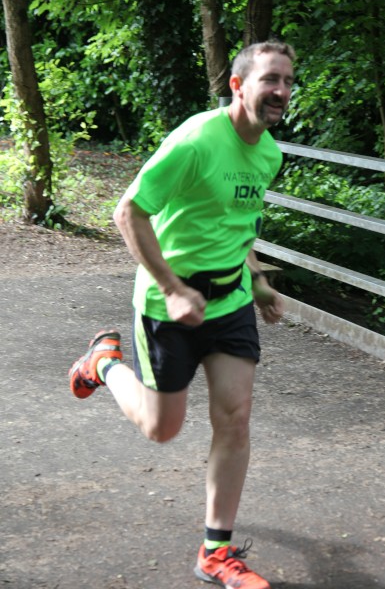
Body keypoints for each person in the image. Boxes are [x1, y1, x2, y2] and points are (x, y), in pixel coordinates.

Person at [68, 40, 295, 589]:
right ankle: (103, 364)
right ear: (238, 85)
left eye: (288, 81)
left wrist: (258, 280)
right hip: (166, 306)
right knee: (161, 429)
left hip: (230, 302)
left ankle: (216, 552)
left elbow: (237, 226)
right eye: (270, 79)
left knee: (235, 417)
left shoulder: (269, 153)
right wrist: (172, 289)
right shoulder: (196, 141)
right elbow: (129, 212)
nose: (281, 91)